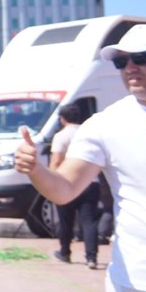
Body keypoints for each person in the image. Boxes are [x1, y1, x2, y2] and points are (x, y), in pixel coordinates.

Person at [16, 23, 146, 292]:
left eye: (140, 57)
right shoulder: (106, 124)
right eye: (121, 62)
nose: (130, 68)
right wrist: (35, 169)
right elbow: (64, 189)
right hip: (142, 281)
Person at [49, 105, 100, 269]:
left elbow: (56, 162)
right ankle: (91, 258)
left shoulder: (61, 136)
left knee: (66, 221)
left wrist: (50, 183)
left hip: (67, 182)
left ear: (62, 119)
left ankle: (65, 252)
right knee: (89, 221)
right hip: (91, 183)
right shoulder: (90, 133)